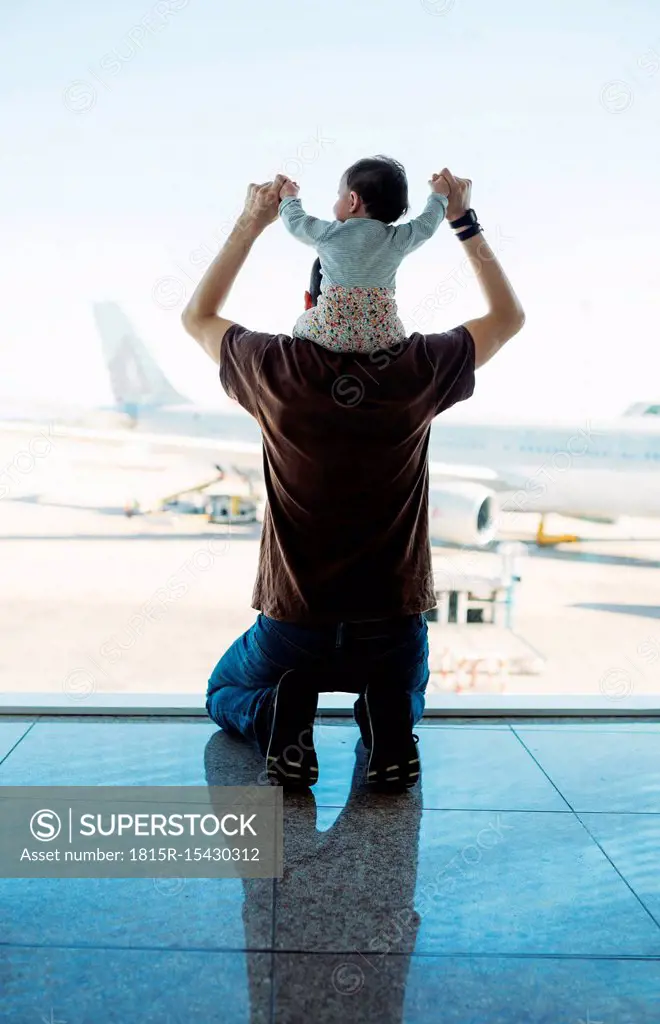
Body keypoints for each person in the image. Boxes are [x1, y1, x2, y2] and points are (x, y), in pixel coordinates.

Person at [181, 168, 525, 791]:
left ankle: (277, 715)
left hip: (295, 624)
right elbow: (507, 317)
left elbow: (198, 314)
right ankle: (385, 718)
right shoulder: (420, 366)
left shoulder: (274, 365)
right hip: (391, 623)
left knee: (225, 689)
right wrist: (461, 220)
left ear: (314, 301)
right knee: (403, 686)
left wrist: (253, 220)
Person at [279, 155, 448, 353]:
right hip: (385, 336)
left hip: (330, 332)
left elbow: (297, 222)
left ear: (352, 200)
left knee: (301, 325)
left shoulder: (329, 234)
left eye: (338, 196)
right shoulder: (397, 239)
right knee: (396, 329)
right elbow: (427, 224)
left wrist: (289, 197)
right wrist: (439, 196)